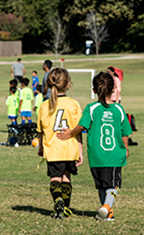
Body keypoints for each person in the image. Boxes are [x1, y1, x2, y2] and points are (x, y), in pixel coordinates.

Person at [57, 72, 132, 221]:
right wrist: (126, 148)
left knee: (101, 186)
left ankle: (107, 213)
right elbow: (125, 132)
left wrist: (71, 132)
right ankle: (106, 207)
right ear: (113, 90)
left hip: (96, 155)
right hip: (114, 155)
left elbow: (82, 125)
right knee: (113, 186)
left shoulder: (91, 108)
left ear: (94, 90)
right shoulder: (119, 110)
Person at [37, 68, 83, 219]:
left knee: (55, 178)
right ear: (68, 84)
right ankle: (66, 207)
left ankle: (57, 201)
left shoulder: (44, 106)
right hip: (70, 148)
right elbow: (79, 130)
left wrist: (41, 148)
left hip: (53, 149)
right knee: (66, 177)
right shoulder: (74, 104)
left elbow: (41, 131)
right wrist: (80, 151)